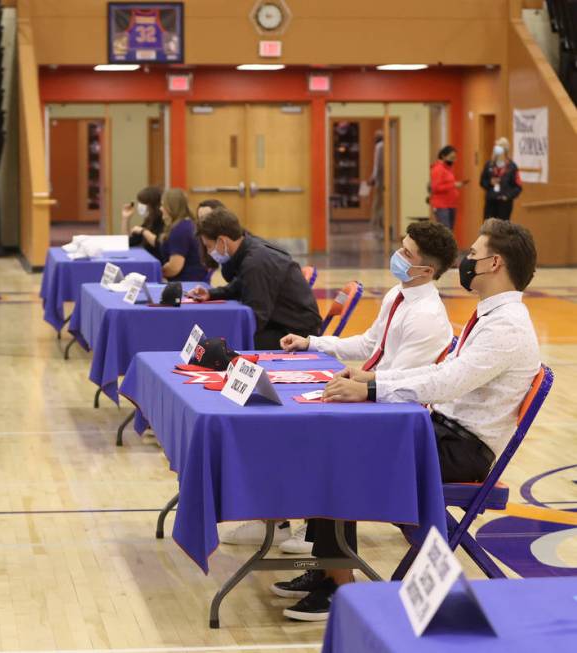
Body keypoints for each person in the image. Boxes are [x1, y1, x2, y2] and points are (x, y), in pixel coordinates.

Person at [273, 218, 540, 622]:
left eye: (474, 254)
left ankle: (338, 589)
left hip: (464, 448)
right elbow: (439, 373)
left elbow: (446, 382)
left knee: (339, 456)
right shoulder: (490, 314)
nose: (467, 260)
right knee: (335, 445)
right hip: (442, 430)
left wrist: (374, 388)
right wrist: (373, 379)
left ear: (494, 264)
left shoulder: (507, 325)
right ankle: (330, 570)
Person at [270, 221, 459, 554]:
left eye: (406, 253)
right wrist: (313, 342)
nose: (397, 255)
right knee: (297, 417)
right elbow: (370, 343)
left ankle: (328, 558)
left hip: (395, 416)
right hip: (375, 397)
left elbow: (402, 382)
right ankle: (306, 532)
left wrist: (361, 382)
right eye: (400, 246)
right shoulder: (397, 295)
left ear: (427, 270)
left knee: (326, 443)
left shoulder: (427, 315)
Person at [190, 207, 321, 349]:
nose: (209, 252)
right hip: (284, 323)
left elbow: (256, 319)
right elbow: (240, 284)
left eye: (209, 246)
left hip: (297, 333)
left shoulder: (255, 263)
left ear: (222, 241)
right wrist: (211, 294)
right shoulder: (249, 248)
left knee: (228, 343)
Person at [132, 187, 208, 281]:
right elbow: (159, 243)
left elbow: (174, 268)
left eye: (163, 205)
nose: (160, 208)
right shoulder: (186, 224)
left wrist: (152, 273)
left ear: (171, 207)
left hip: (187, 284)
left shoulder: (180, 229)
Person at [480, 137, 523, 221]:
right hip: (491, 202)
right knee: (488, 229)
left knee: (502, 231)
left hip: (504, 204)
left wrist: (507, 196)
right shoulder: (489, 165)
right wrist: (490, 182)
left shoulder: (512, 166)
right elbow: (482, 182)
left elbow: (518, 187)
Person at [122, 186, 164, 260]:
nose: (140, 206)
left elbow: (159, 244)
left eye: (143, 203)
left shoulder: (162, 221)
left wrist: (143, 231)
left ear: (152, 205)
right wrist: (126, 219)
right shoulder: (149, 221)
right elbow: (127, 242)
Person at [429, 145, 464, 230]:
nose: (454, 160)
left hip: (451, 204)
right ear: (444, 156)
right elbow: (435, 188)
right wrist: (453, 185)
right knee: (445, 230)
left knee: (449, 231)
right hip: (441, 206)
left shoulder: (448, 169)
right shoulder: (438, 169)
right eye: (451, 157)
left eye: (455, 157)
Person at [368, 129, 385, 238]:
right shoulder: (385, 146)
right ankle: (379, 224)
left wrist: (373, 177)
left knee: (378, 203)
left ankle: (376, 224)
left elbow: (377, 165)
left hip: (381, 180)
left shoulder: (379, 147)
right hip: (382, 180)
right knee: (380, 204)